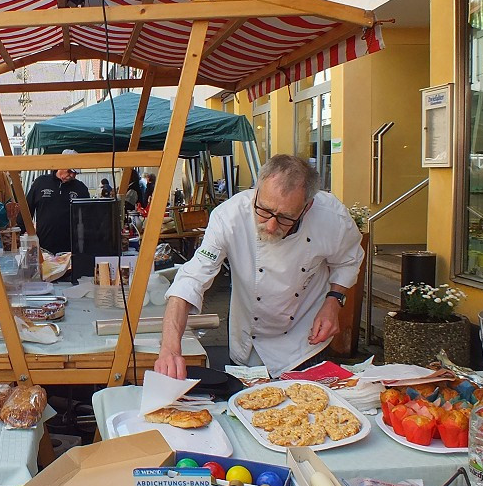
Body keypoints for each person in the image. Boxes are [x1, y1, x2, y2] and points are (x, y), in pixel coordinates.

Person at [155, 155, 363, 379]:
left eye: (285, 217)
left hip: (306, 341)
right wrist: (169, 348)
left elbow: (348, 259)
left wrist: (333, 302)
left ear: (307, 206)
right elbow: (191, 279)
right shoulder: (229, 217)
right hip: (249, 340)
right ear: (256, 189)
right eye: (263, 210)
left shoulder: (332, 217)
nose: (271, 225)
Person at [25, 150, 90, 255]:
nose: (73, 175)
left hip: (71, 249)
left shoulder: (80, 188)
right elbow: (26, 210)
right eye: (70, 171)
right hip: (44, 248)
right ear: (61, 165)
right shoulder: (40, 183)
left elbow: (88, 218)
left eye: (76, 173)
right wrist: (24, 235)